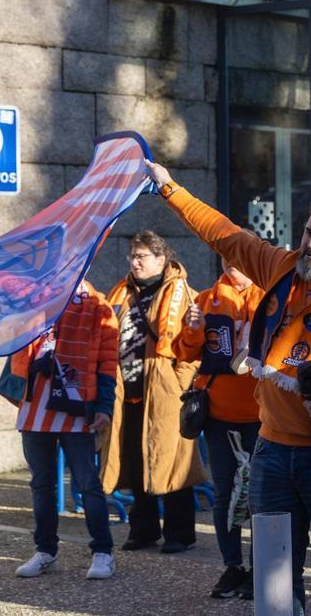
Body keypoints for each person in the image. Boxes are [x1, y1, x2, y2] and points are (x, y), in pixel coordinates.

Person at [144, 161, 311, 615]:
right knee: (275, 567)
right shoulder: (282, 267)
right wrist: (168, 187)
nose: (310, 243)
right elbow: (223, 233)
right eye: (308, 232)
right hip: (270, 451)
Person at [6, 279, 118, 581]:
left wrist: (104, 406)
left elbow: (108, 364)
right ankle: (45, 551)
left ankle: (103, 551)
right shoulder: (34, 298)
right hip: (34, 407)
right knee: (41, 484)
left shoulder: (98, 305)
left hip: (75, 402)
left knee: (87, 483)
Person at [107, 231, 205, 555]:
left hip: (165, 391)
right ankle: (143, 530)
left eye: (142, 256)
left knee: (174, 463)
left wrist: (178, 383)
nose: (135, 262)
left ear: (161, 260)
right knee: (137, 461)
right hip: (130, 389)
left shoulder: (183, 293)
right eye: (132, 256)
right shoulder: (123, 292)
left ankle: (180, 533)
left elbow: (194, 344)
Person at [173, 257, 264, 599]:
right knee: (225, 493)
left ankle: (260, 567)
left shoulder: (270, 296)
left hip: (262, 415)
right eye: (227, 256)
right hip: (218, 413)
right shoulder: (206, 299)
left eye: (240, 255)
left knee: (260, 495)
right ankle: (233, 566)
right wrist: (193, 327)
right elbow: (183, 352)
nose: (233, 263)